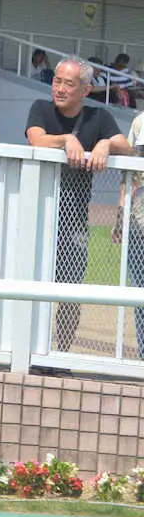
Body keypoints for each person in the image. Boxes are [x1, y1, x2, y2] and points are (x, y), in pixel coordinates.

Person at [25, 57, 131, 364]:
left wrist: (105, 146)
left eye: (68, 83)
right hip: (37, 219)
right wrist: (66, 139)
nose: (59, 88)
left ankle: (60, 356)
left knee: (69, 292)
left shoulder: (99, 116)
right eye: (57, 81)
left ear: (85, 90)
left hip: (75, 223)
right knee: (32, 290)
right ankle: (32, 353)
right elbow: (36, 139)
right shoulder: (40, 109)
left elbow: (127, 147)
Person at [119, 110, 144, 357]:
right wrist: (121, 212)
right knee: (141, 290)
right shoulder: (140, 121)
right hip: (139, 218)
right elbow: (128, 171)